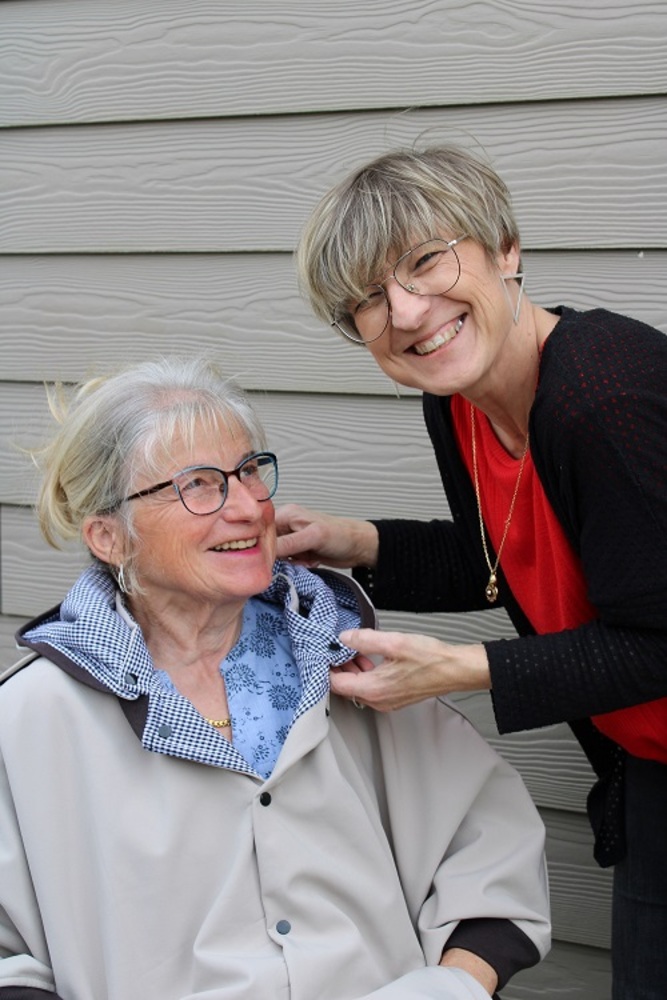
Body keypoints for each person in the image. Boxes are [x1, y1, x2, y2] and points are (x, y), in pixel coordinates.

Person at [0, 357, 549, 1000]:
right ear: (109, 537)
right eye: (199, 486)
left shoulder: (345, 660)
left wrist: (454, 986)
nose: (248, 507)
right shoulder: (32, 717)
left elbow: (490, 839)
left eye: (249, 471)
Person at [275, 144, 667, 1000]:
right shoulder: (459, 403)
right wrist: (353, 540)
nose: (408, 311)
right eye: (368, 300)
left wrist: (464, 672)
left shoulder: (602, 396)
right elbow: (508, 558)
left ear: (506, 249)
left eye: (424, 262)